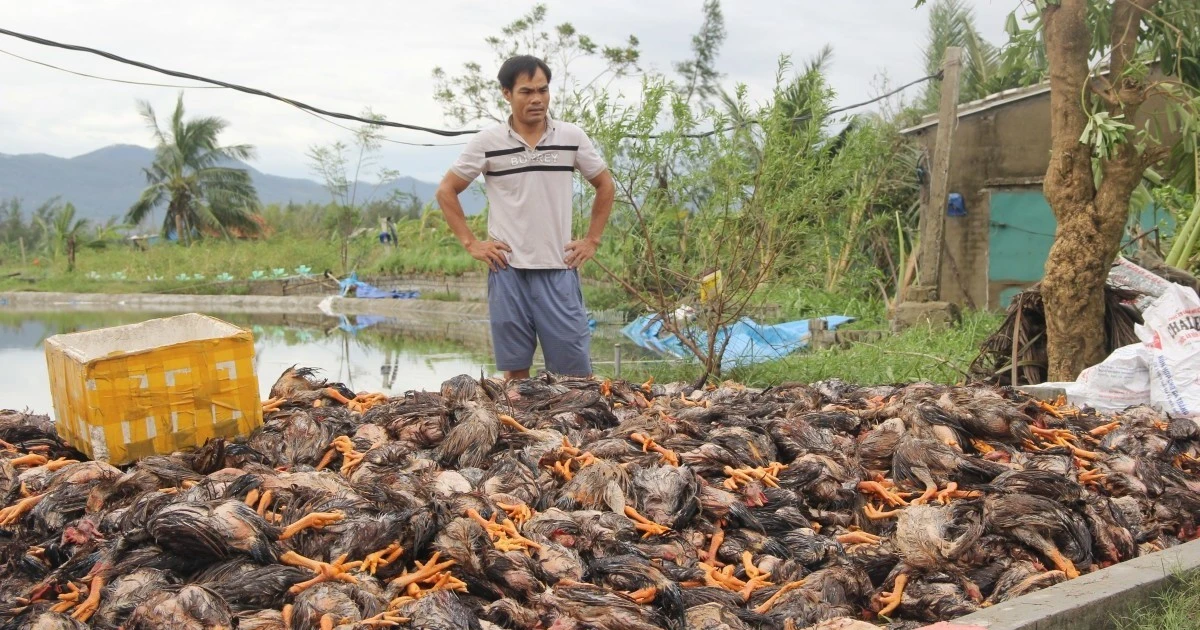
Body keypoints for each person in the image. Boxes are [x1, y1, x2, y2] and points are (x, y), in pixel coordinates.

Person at [436, 54, 615, 380]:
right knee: (516, 375)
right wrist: (472, 244)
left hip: (559, 266)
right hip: (507, 270)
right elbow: (447, 191)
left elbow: (605, 185)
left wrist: (592, 240)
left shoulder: (571, 137)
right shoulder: (487, 143)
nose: (537, 99)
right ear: (507, 93)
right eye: (526, 92)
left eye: (543, 90)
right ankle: (522, 413)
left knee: (575, 376)